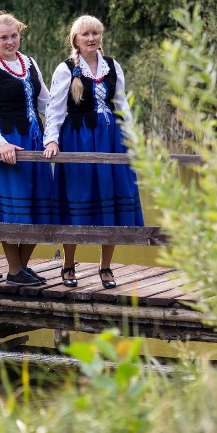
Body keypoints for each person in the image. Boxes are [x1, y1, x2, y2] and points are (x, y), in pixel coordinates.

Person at [43, 15, 143, 288]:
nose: (91, 39)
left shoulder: (112, 65)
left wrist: (133, 140)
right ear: (76, 39)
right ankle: (68, 264)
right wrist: (51, 141)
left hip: (111, 139)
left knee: (109, 199)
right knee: (76, 199)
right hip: (78, 139)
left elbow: (122, 105)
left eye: (95, 34)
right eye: (86, 34)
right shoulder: (66, 69)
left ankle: (106, 267)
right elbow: (54, 110)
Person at [0, 12, 52, 286]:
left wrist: (51, 136)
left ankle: (22, 267)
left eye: (14, 35)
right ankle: (15, 269)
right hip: (8, 146)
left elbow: (46, 104)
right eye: (4, 37)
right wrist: (1, 144)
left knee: (37, 207)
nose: (10, 41)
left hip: (33, 141)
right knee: (12, 210)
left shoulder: (29, 63)